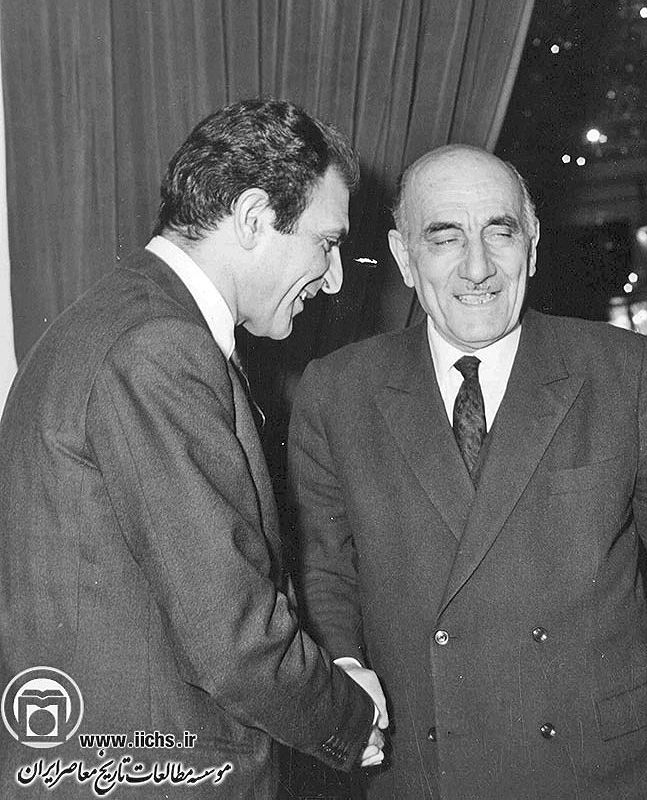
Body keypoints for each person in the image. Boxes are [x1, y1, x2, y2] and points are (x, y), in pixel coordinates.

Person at [289, 144, 647, 799]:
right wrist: (344, 674)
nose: (478, 267)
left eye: (499, 233)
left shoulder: (624, 371)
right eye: (444, 238)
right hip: (425, 768)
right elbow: (325, 572)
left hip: (605, 767)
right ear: (404, 258)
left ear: (531, 246)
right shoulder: (337, 392)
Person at [0, 99, 388, 798]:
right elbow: (233, 640)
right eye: (326, 243)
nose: (334, 277)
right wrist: (351, 720)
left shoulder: (123, 318)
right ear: (253, 217)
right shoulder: (161, 346)